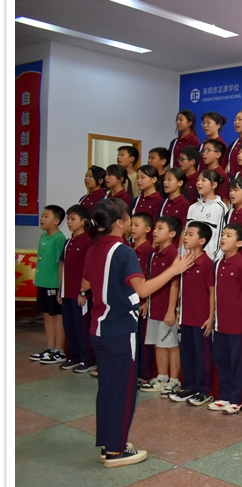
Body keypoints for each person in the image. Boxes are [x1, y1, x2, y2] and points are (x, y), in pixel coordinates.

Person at [81, 197, 194, 468]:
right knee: (123, 390)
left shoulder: (93, 248)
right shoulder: (123, 251)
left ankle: (108, 443)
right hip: (120, 330)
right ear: (120, 222)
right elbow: (142, 289)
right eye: (128, 218)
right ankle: (116, 451)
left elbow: (87, 284)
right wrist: (174, 270)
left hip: (98, 328)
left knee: (108, 388)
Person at [207, 223, 242, 415]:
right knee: (221, 360)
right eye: (223, 234)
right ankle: (224, 396)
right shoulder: (218, 263)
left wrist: (240, 314)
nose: (223, 238)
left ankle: (237, 399)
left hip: (237, 325)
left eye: (229, 235)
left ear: (239, 243)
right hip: (220, 323)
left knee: (237, 363)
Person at [168, 221, 216, 405]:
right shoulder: (183, 261)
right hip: (186, 316)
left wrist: (211, 317)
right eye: (186, 234)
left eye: (190, 234)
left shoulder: (207, 263)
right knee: (187, 354)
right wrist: (178, 312)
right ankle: (189, 386)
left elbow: (212, 292)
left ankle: (204, 390)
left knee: (202, 354)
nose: (185, 237)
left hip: (201, 318)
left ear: (202, 241)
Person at [139, 216, 183, 398]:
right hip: (154, 308)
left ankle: (174, 381)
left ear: (172, 234)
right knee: (158, 344)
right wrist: (146, 301)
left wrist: (171, 310)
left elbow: (175, 284)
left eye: (160, 228)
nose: (155, 231)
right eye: (155, 228)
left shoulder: (174, 255)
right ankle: (162, 378)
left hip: (167, 310)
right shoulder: (153, 254)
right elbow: (149, 281)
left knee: (171, 345)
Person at [57, 205, 96, 372]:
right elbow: (62, 265)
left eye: (73, 219)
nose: (69, 222)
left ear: (83, 221)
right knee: (69, 326)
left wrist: (83, 292)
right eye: (68, 219)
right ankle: (74, 356)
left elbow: (90, 269)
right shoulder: (68, 242)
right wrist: (60, 290)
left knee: (82, 327)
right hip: (67, 292)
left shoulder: (88, 241)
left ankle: (87, 359)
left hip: (81, 294)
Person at [29, 205, 68, 364]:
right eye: (42, 216)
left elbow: (61, 264)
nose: (42, 219)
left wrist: (60, 288)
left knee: (56, 317)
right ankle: (50, 347)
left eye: (46, 216)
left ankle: (59, 350)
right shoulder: (43, 236)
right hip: (43, 283)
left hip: (53, 285)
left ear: (56, 221)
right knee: (46, 315)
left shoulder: (59, 239)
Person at [130, 213, 155, 385]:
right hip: (128, 299)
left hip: (142, 301)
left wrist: (146, 301)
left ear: (147, 229)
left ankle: (144, 374)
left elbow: (150, 277)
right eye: (131, 224)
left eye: (136, 225)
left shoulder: (148, 251)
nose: (132, 228)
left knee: (143, 338)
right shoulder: (127, 248)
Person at [186, 170, 228, 260]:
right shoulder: (192, 207)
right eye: (198, 180)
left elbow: (221, 236)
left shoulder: (220, 208)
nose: (199, 183)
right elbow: (186, 234)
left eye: (203, 180)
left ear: (214, 185)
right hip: (189, 259)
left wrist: (214, 259)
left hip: (208, 259)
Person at [159, 168, 191, 243]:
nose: (165, 182)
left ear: (180, 183)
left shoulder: (184, 203)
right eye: (164, 179)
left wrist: (179, 248)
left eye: (169, 180)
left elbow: (184, 229)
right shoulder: (164, 202)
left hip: (175, 245)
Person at [131, 165, 164, 236]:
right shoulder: (136, 200)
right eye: (137, 178)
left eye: (142, 177)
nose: (139, 181)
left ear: (154, 179)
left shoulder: (159, 201)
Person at [202, 138, 230, 203]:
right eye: (203, 151)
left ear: (218, 154)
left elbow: (224, 200)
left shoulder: (221, 175)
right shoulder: (203, 173)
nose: (204, 153)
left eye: (208, 150)